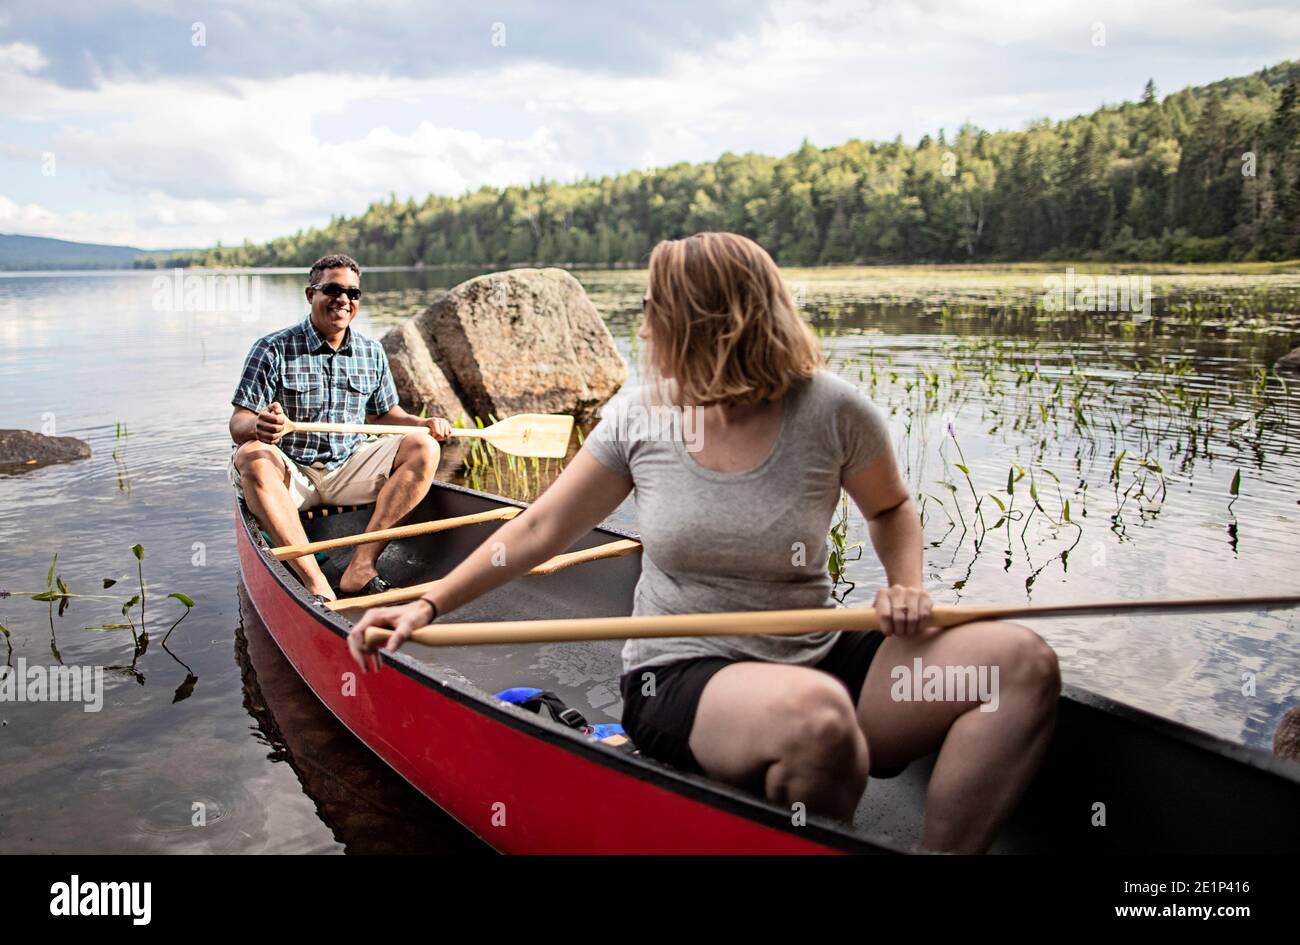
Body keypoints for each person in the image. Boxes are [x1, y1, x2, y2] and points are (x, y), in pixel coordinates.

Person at [346, 232, 1060, 853]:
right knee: (820, 722)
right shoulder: (644, 418)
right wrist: (428, 604)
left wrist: (908, 583)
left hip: (817, 653)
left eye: (658, 307)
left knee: (1020, 664)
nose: (647, 322)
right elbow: (535, 529)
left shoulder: (833, 409)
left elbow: (894, 508)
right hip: (683, 673)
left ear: (708, 322)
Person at [229, 253, 453, 601]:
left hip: (348, 467)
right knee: (252, 456)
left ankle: (361, 566)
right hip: (293, 474)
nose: (344, 300)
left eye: (353, 293)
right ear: (310, 294)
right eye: (333, 289)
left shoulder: (371, 352)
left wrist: (421, 423)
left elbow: (382, 416)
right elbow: (238, 421)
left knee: (424, 447)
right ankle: (315, 582)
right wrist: (259, 425)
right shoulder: (272, 349)